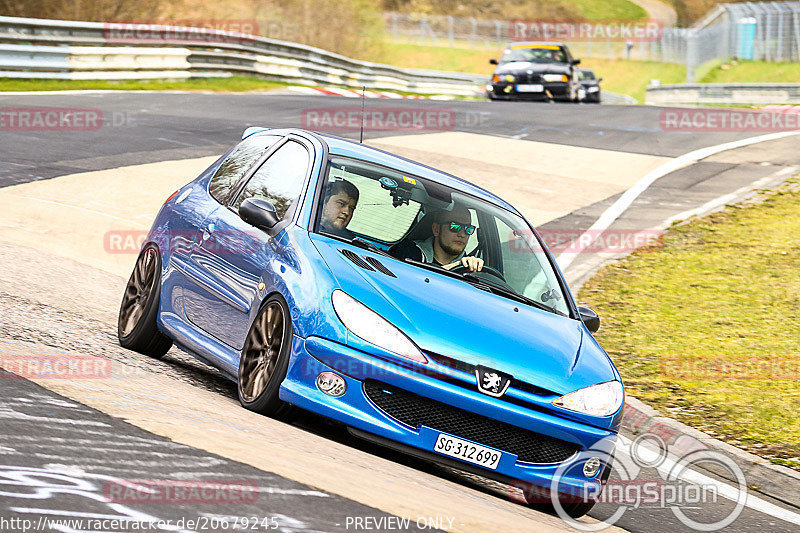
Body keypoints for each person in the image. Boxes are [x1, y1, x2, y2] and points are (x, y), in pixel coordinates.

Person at [391, 205, 484, 272]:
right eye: (455, 226)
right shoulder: (407, 251)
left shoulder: (470, 268)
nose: (462, 234)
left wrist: (473, 268)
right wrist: (455, 266)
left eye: (468, 229)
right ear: (436, 229)